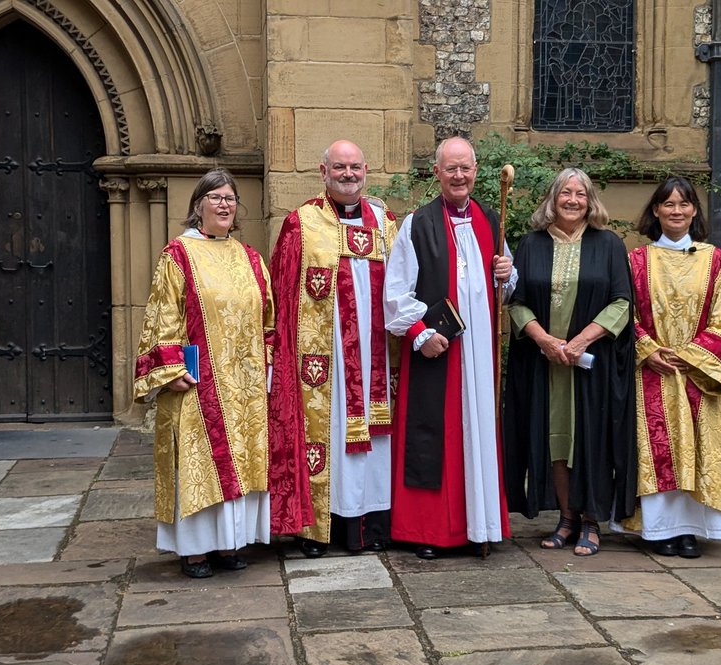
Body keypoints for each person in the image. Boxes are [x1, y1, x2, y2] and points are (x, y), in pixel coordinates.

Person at [133, 169, 275, 578]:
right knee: (198, 464)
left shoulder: (250, 258)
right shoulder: (177, 255)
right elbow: (163, 316)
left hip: (244, 386)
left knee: (242, 461)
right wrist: (170, 369)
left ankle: (229, 544)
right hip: (197, 382)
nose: (225, 204)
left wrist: (266, 365)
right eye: (215, 197)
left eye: (230, 198)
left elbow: (269, 318)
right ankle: (195, 550)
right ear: (198, 206)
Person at [383, 136, 516, 559]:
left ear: (475, 171)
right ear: (436, 173)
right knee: (433, 437)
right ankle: (429, 532)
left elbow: (507, 290)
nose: (459, 176)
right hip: (439, 350)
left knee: (477, 434)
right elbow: (396, 292)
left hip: (479, 352)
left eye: (466, 168)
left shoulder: (491, 219)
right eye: (451, 168)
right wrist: (420, 333)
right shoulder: (417, 225)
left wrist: (507, 272)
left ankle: (481, 525)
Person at [268, 140, 397, 557]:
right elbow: (283, 294)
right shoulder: (301, 223)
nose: (348, 174)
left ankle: (371, 528)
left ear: (367, 170)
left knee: (375, 446)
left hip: (378, 358)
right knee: (326, 440)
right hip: (324, 364)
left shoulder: (386, 222)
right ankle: (317, 529)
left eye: (355, 167)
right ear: (323, 172)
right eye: (339, 167)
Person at [611, 176, 721, 559]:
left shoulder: (714, 261)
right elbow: (624, 312)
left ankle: (691, 529)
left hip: (699, 375)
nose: (677, 211)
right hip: (652, 371)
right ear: (655, 210)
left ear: (694, 211)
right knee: (657, 449)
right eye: (668, 204)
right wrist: (646, 348)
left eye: (684, 204)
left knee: (700, 450)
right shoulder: (636, 261)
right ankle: (658, 530)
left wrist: (689, 356)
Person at [503, 168, 638, 557]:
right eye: (565, 192)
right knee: (557, 440)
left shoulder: (608, 244)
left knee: (591, 439)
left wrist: (580, 341)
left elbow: (622, 302)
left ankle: (592, 522)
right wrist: (544, 340)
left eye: (581, 193)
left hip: (591, 364)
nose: (573, 200)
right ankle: (566, 518)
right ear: (552, 199)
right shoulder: (531, 245)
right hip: (546, 364)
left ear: (590, 201)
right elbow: (517, 302)